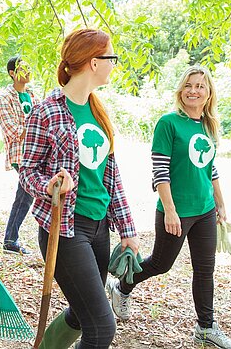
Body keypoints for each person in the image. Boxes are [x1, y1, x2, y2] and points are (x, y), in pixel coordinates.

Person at [20, 29, 138, 349]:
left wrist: (127, 230)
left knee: (81, 312)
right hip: (65, 229)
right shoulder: (46, 111)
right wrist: (49, 186)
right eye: (111, 57)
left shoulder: (98, 110)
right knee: (101, 327)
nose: (114, 64)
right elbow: (27, 171)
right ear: (94, 62)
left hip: (99, 227)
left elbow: (111, 176)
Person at [107, 66, 231, 349]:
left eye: (200, 86)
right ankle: (121, 286)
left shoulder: (208, 125)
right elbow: (160, 171)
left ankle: (205, 327)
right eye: (188, 85)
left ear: (209, 93)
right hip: (176, 210)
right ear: (181, 90)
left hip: (205, 210)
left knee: (205, 270)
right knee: (160, 264)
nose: (194, 90)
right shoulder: (168, 123)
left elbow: (210, 168)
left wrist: (220, 203)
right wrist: (169, 210)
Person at [0, 55, 38, 255]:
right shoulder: (5, 98)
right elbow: (12, 131)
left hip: (36, 152)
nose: (27, 72)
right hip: (20, 154)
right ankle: (10, 240)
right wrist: (36, 129)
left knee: (26, 194)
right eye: (22, 68)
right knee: (26, 194)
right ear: (12, 73)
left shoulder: (32, 95)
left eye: (29, 67)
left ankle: (10, 240)